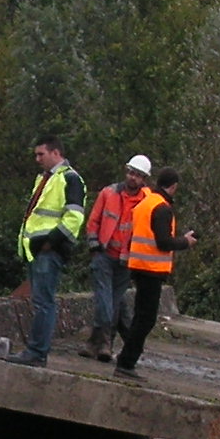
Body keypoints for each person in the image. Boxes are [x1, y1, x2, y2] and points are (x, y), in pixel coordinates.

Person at [9, 136, 86, 365]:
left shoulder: (70, 179)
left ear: (56, 153)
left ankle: (37, 352)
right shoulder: (46, 179)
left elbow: (75, 217)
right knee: (41, 301)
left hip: (48, 251)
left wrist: (50, 242)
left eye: (41, 154)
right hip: (38, 250)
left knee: (44, 302)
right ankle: (35, 351)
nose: (37, 159)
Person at [114, 167, 197, 378]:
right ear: (174, 186)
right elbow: (163, 242)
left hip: (138, 264)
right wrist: (185, 242)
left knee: (141, 316)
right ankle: (126, 362)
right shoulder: (162, 207)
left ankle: (125, 359)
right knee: (146, 318)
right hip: (151, 269)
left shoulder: (145, 203)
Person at [84, 154, 151, 360]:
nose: (133, 178)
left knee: (112, 301)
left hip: (126, 261)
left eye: (138, 175)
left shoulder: (146, 203)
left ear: (144, 179)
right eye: (131, 172)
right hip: (104, 254)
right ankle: (104, 343)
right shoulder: (109, 193)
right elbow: (94, 220)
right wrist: (93, 242)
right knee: (106, 300)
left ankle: (97, 343)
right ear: (126, 171)